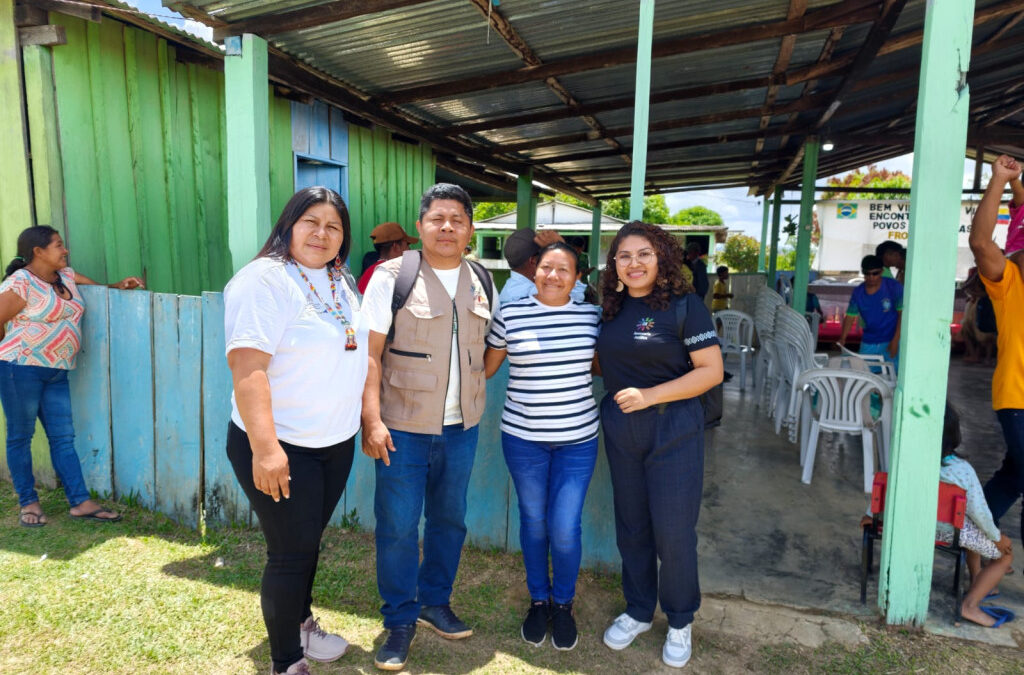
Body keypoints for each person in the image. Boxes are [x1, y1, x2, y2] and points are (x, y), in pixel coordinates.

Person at [223, 187, 366, 675]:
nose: (321, 234)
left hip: (333, 442)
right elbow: (248, 370)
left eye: (333, 226)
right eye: (311, 221)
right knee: (289, 552)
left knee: (307, 541)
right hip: (281, 447)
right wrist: (267, 449)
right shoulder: (264, 280)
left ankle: (301, 623)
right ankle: (286, 662)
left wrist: (365, 419)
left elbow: (356, 353)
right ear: (288, 224)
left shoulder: (338, 280)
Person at [360, 183, 493, 671]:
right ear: (419, 226)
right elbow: (370, 356)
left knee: (449, 520)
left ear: (470, 230)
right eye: (437, 218)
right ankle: (399, 618)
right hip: (402, 428)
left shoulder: (481, 278)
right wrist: (371, 420)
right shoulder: (391, 277)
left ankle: (436, 602)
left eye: (457, 219)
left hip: (462, 429)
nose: (447, 227)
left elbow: (486, 351)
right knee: (397, 527)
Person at [596, 222, 722, 669]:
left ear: (661, 257)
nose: (634, 264)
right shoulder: (608, 308)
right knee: (632, 525)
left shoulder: (685, 306)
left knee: (673, 530)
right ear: (614, 265)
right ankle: (637, 610)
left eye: (644, 254)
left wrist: (651, 395)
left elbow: (711, 371)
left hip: (674, 428)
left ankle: (680, 618)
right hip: (622, 428)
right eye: (624, 256)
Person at [483, 242, 601, 651]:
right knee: (533, 522)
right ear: (534, 270)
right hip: (523, 439)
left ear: (577, 276)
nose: (553, 275)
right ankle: (538, 600)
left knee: (565, 528)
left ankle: (563, 604)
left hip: (578, 440)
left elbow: (609, 362)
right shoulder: (511, 313)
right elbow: (485, 366)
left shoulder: (592, 316)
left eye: (563, 269)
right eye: (547, 267)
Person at [1, 226, 142, 528]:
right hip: (20, 369)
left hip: (57, 370)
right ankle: (29, 502)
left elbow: (96, 288)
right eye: (58, 245)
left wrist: (118, 286)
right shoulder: (21, 283)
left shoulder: (65, 276)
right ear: (38, 252)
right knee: (20, 437)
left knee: (63, 438)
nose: (65, 250)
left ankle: (80, 502)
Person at [970, 154, 1024, 557]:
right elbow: (980, 242)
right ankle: (974, 532)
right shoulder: (1010, 285)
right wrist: (1000, 180)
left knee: (1014, 474)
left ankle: (972, 529)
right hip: (1018, 399)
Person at [937, 404, 1014, 627]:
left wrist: (870, 515)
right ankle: (970, 605)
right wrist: (997, 538)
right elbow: (980, 512)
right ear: (955, 435)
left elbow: (885, 485)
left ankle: (976, 578)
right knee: (1004, 556)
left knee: (970, 528)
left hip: (912, 525)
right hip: (950, 532)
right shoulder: (962, 470)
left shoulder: (908, 461)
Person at [837, 255, 903, 372]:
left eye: (875, 273)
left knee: (893, 374)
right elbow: (850, 317)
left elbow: (901, 315)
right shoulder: (858, 292)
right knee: (866, 376)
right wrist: (842, 339)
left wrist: (895, 340)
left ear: (882, 271)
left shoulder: (894, 287)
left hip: (891, 340)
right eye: (867, 274)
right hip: (869, 340)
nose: (871, 277)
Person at [499, 228, 586, 305]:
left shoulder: (513, 287)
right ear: (534, 260)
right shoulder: (529, 292)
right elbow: (576, 295)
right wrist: (562, 247)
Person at [357, 222, 419, 293]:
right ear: (396, 247)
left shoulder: (369, 271)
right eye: (407, 244)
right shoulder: (394, 273)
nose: (409, 249)